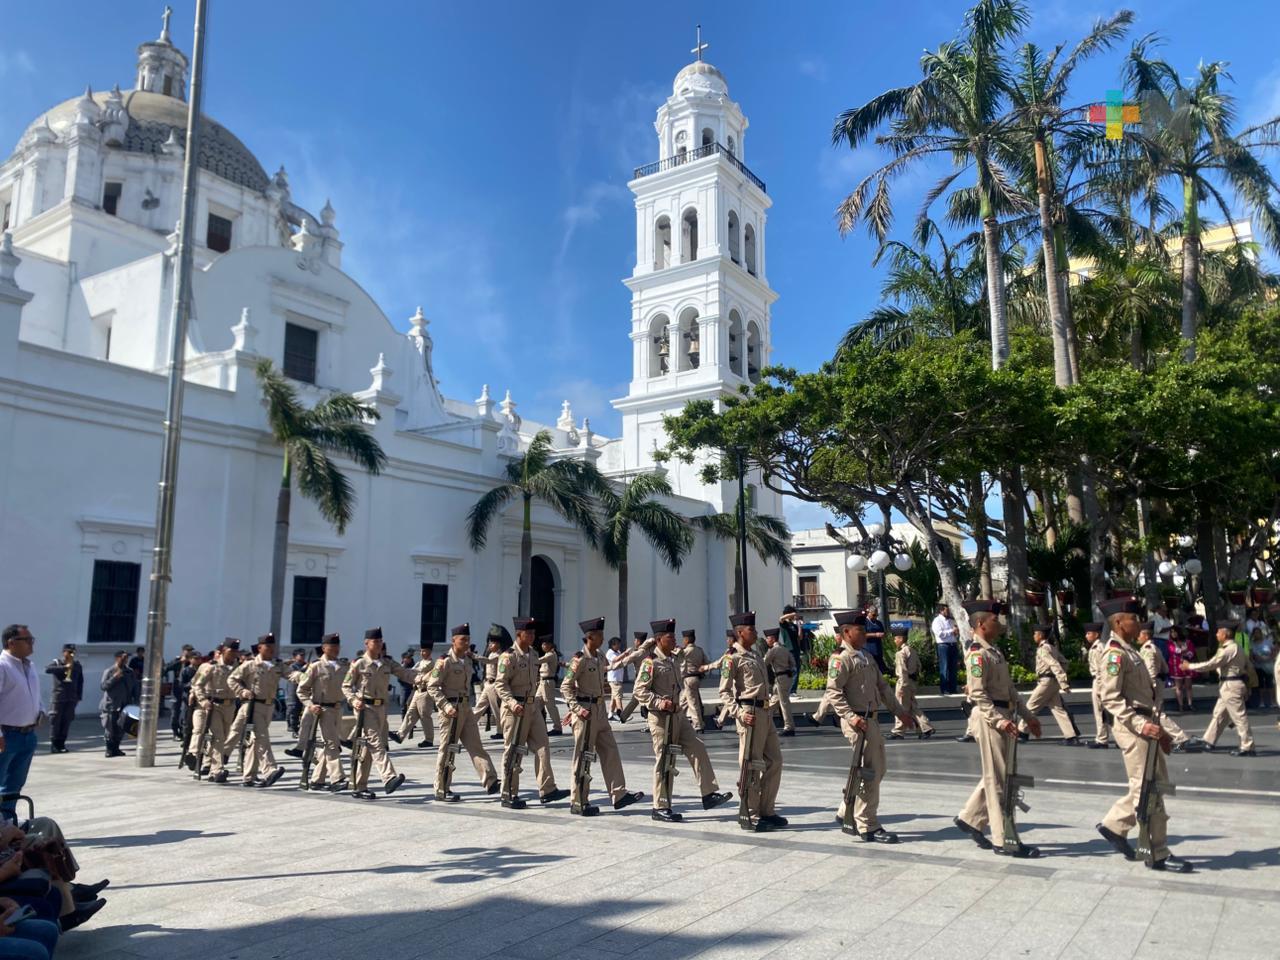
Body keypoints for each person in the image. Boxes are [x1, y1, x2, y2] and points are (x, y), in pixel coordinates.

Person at [1094, 598, 1193, 873]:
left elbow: (1147, 699)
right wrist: (1140, 724)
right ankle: (1156, 852)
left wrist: (1160, 732)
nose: (1139, 623)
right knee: (1148, 789)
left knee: (1152, 786)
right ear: (1118, 622)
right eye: (1133, 618)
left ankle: (1115, 826)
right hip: (1133, 728)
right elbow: (1110, 698)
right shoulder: (1114, 654)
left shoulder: (1132, 652)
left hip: (1146, 725)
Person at [953, 600, 1042, 858]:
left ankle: (970, 819)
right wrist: (1000, 720)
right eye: (994, 619)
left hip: (1005, 714)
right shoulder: (978, 655)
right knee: (999, 780)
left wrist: (1028, 715)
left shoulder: (994, 652)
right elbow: (979, 695)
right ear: (980, 624)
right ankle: (1004, 840)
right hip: (991, 718)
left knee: (998, 775)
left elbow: (1010, 691)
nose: (999, 623)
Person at [827, 610, 915, 841]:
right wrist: (850, 717)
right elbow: (834, 693)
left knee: (878, 769)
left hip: (871, 720)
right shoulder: (840, 658)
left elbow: (883, 688)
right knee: (870, 772)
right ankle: (868, 825)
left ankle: (845, 810)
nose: (865, 633)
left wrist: (900, 713)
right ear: (846, 632)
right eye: (861, 630)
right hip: (857, 722)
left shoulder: (866, 656)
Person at [632, 619, 729, 822]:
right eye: (670, 636)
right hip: (660, 718)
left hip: (678, 716)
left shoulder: (673, 659)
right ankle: (660, 806)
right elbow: (639, 691)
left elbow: (691, 655)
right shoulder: (650, 663)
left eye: (674, 635)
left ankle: (708, 793)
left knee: (697, 747)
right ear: (659, 639)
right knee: (665, 760)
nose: (674, 639)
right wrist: (659, 703)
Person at [559, 618, 644, 816]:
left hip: (599, 710)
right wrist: (576, 709)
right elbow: (565, 686)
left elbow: (610, 667)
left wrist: (632, 654)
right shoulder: (579, 659)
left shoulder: (598, 657)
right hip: (585, 712)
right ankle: (578, 800)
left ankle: (619, 794)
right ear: (590, 637)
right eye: (599, 635)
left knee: (610, 750)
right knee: (583, 755)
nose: (603, 638)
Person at [720, 612, 786, 833]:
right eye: (751, 629)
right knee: (751, 764)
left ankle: (767, 809)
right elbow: (725, 692)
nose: (756, 632)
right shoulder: (732, 658)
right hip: (749, 713)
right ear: (740, 632)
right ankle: (750, 812)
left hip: (765, 713)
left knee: (775, 761)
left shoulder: (756, 654)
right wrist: (738, 713)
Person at [495, 618, 568, 809]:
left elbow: (535, 680)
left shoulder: (533, 654)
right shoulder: (508, 657)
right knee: (513, 750)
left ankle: (547, 789)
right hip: (514, 709)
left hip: (531, 707)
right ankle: (508, 792)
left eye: (534, 634)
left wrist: (534, 702)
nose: (532, 637)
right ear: (519, 634)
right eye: (529, 634)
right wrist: (512, 703)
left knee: (543, 746)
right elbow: (500, 684)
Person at [426, 624, 498, 801]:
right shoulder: (444, 662)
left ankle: (490, 780)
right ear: (453, 641)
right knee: (447, 749)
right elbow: (432, 686)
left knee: (476, 745)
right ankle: (441, 788)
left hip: (466, 709)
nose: (466, 643)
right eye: (463, 640)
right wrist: (445, 706)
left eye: (468, 640)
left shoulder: (466, 659)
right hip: (450, 711)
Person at [343, 628, 415, 799]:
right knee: (376, 743)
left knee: (369, 749)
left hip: (382, 709)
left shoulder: (387, 663)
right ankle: (389, 778)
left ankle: (359, 786)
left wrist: (425, 678)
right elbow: (346, 686)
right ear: (366, 643)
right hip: (364, 709)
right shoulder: (358, 664)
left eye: (380, 641)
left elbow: (406, 673)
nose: (379, 644)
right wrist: (353, 700)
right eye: (375, 641)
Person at [1184, 621, 1256, 757]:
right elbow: (1248, 666)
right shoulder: (1237, 647)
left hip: (1231, 686)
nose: (1216, 634)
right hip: (1229, 685)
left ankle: (1248, 746)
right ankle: (1209, 740)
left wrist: (1190, 666)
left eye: (1218, 632)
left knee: (1239, 717)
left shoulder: (1228, 649)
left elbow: (1211, 664)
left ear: (1225, 634)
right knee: (1219, 715)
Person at [225, 634, 286, 788]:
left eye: (273, 647)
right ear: (260, 648)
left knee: (255, 742)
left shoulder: (277, 665)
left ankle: (249, 776)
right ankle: (269, 769)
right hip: (253, 706)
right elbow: (232, 679)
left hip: (269, 706)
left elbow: (292, 674)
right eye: (268, 647)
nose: (272, 650)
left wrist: (307, 677)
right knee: (261, 737)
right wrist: (242, 691)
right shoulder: (250, 665)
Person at [0, 626, 43, 823]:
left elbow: (34, 692)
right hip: (6, 735)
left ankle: (8, 822)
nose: (31, 643)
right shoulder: (2, 666)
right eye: (27, 639)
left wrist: (40, 710)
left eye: (31, 639)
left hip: (28, 734)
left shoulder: (29, 665)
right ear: (11, 642)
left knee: (15, 784)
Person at [295, 633, 348, 792]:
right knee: (332, 744)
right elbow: (302, 690)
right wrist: (310, 705)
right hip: (322, 710)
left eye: (338, 646)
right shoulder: (316, 667)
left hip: (338, 709)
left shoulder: (343, 666)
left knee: (328, 746)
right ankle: (337, 778)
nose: (336, 649)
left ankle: (317, 780)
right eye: (332, 646)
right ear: (324, 647)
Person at [1137, 622, 1198, 753]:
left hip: (1152, 684)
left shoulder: (1147, 649)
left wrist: (1150, 687)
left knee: (1157, 714)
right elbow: (1164, 666)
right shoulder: (1154, 647)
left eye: (1139, 634)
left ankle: (1180, 737)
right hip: (1157, 683)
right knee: (1154, 714)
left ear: (1146, 635)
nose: (1137, 637)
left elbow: (1151, 671)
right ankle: (1164, 738)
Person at [186, 640, 239, 782]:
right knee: (216, 737)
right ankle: (216, 770)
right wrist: (202, 700)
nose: (233, 654)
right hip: (213, 706)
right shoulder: (210, 667)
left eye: (235, 651)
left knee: (223, 737)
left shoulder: (237, 667)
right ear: (222, 651)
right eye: (230, 651)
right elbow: (197, 684)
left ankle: (210, 765)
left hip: (230, 706)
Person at [1018, 627, 1078, 745]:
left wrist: (1063, 681)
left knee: (1031, 705)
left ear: (1040, 635)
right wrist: (1060, 679)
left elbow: (1054, 664)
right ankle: (1071, 736)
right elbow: (1064, 662)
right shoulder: (1052, 648)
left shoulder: (1042, 649)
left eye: (1035, 633)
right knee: (1057, 709)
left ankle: (1022, 732)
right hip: (1052, 681)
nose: (1033, 636)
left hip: (1046, 681)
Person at [889, 626, 934, 739]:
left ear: (900, 638)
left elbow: (902, 671)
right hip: (912, 681)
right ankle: (925, 728)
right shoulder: (912, 650)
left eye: (895, 639)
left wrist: (903, 687)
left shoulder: (900, 653)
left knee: (901, 707)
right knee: (912, 707)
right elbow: (919, 666)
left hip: (904, 682)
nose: (894, 641)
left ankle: (898, 731)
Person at [393, 642, 436, 748]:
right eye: (421, 650)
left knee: (424, 716)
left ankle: (429, 739)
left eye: (424, 651)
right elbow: (413, 670)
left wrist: (401, 669)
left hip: (425, 692)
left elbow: (417, 671)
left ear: (430, 652)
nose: (422, 653)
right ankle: (400, 735)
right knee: (410, 713)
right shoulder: (420, 662)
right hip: (417, 691)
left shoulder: (431, 664)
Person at [97, 650, 137, 758]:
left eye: (126, 658)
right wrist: (115, 678)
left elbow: (134, 687)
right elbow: (103, 686)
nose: (125, 660)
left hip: (125, 704)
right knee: (110, 728)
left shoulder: (130, 672)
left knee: (121, 728)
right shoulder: (109, 671)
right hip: (111, 704)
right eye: (123, 657)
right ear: (117, 658)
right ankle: (109, 749)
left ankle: (116, 748)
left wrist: (136, 702)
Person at [43, 645, 82, 755]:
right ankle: (54, 744)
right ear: (64, 652)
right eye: (69, 652)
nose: (71, 654)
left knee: (67, 720)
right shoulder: (57, 663)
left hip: (71, 697)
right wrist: (64, 668)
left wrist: (79, 696)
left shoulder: (77, 665)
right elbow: (47, 669)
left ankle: (62, 743)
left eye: (73, 652)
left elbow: (80, 681)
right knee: (56, 720)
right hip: (59, 697)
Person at [762, 629, 796, 736]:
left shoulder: (773, 650)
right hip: (787, 678)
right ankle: (764, 722)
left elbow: (764, 663)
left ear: (772, 638)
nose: (767, 640)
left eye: (768, 638)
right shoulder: (785, 649)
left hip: (780, 678)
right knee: (774, 701)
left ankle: (789, 727)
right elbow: (793, 663)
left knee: (784, 703)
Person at [676, 630, 711, 732]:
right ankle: (677, 721)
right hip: (696, 678)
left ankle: (698, 724)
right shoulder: (699, 650)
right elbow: (707, 663)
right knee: (683, 701)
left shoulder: (685, 651)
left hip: (688, 679)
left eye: (684, 639)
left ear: (686, 639)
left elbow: (676, 658)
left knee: (693, 703)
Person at [472, 634, 505, 740]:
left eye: (493, 643)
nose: (490, 645)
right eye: (490, 643)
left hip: (494, 684)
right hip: (487, 684)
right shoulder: (491, 654)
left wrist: (473, 656)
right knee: (479, 706)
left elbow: (488, 661)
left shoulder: (499, 655)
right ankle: (469, 725)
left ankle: (501, 731)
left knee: (496, 709)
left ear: (498, 644)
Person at [1084, 622, 1112, 749]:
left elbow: (1102, 668)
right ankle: (1103, 737)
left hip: (1099, 681)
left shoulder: (1098, 648)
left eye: (1089, 633)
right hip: (1099, 680)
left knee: (1100, 711)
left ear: (1097, 634)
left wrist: (1100, 687)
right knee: (1104, 712)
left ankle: (1102, 739)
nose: (1086, 636)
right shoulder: (1096, 647)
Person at [536, 637, 564, 737]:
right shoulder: (548, 654)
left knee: (550, 705)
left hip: (547, 682)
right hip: (542, 682)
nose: (542, 646)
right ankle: (537, 727)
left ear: (550, 645)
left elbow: (538, 661)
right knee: (536, 704)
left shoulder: (551, 655)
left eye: (545, 644)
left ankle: (557, 727)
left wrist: (528, 658)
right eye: (542, 644)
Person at [930, 604, 961, 695]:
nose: (948, 612)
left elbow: (955, 633)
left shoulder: (951, 621)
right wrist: (952, 631)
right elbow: (940, 634)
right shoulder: (937, 621)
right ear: (941, 611)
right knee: (945, 667)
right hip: (943, 646)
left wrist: (956, 632)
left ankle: (953, 688)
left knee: (953, 668)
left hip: (953, 645)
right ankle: (945, 689)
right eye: (946, 610)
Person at [1167, 625, 1196, 714]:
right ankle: (1181, 705)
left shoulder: (1187, 641)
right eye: (1171, 632)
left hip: (1186, 665)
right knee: (1178, 687)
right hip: (1176, 666)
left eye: (1175, 631)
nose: (1173, 634)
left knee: (1189, 686)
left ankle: (1190, 704)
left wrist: (1187, 652)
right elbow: (1174, 650)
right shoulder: (1170, 642)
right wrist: (1184, 651)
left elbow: (1191, 652)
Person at [777, 606, 803, 695]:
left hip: (796, 649)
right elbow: (781, 618)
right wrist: (792, 613)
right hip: (789, 649)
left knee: (797, 669)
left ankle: (793, 690)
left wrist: (799, 627)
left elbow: (799, 637)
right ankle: (791, 691)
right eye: (793, 614)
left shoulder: (794, 626)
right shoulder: (784, 624)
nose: (794, 616)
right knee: (793, 669)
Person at [282, 649, 307, 735]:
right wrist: (302, 670)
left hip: (304, 689)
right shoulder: (292, 666)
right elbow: (293, 675)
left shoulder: (307, 666)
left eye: (303, 655)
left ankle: (298, 728)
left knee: (302, 709)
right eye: (300, 655)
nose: (302, 657)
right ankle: (292, 727)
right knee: (293, 708)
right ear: (295, 657)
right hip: (293, 689)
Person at [862, 605, 889, 674]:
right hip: (868, 650)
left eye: (877, 615)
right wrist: (875, 635)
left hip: (878, 650)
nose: (875, 617)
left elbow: (884, 633)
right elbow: (862, 635)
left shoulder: (878, 623)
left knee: (881, 669)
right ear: (868, 613)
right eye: (874, 615)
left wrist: (883, 635)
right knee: (871, 670)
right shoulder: (864, 622)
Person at [605, 638, 626, 720]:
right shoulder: (610, 652)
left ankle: (610, 714)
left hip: (618, 678)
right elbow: (615, 660)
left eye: (619, 644)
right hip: (614, 679)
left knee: (614, 697)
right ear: (612, 645)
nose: (619, 645)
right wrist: (625, 654)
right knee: (618, 697)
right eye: (617, 644)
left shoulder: (618, 652)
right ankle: (621, 715)